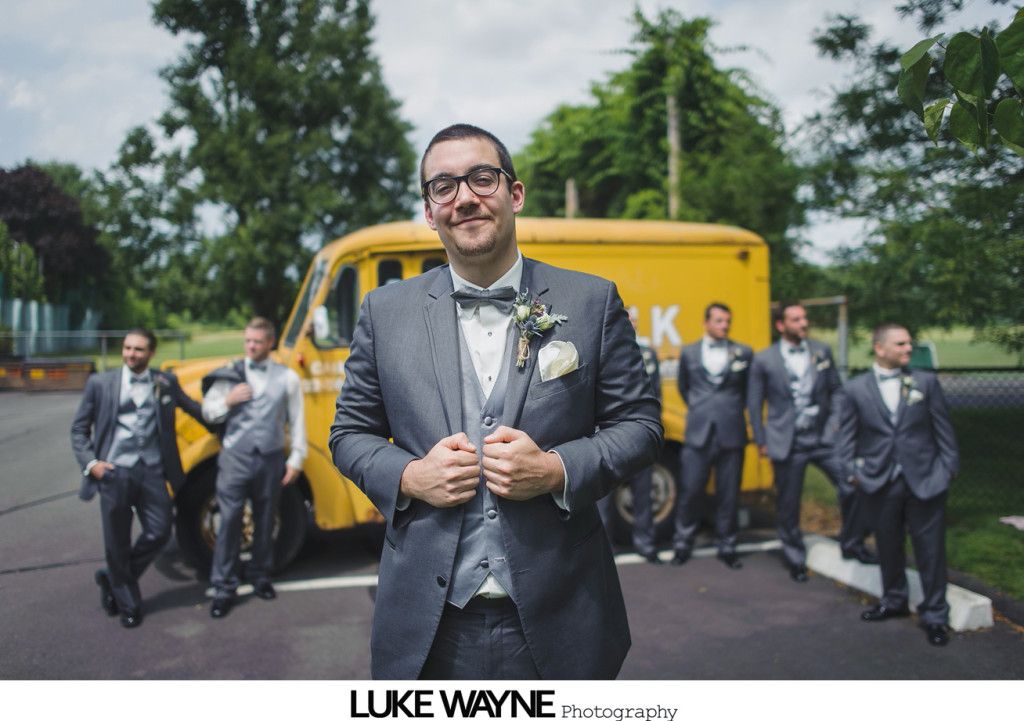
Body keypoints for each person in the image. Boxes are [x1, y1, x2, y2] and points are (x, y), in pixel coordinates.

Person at [328, 123, 662, 680]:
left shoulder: (591, 300)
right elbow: (347, 436)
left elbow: (642, 426)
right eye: (443, 186)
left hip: (562, 612)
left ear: (515, 193)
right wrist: (410, 477)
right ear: (430, 211)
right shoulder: (383, 313)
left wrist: (557, 469)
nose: (465, 197)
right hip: (430, 625)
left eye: (482, 178)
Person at [70, 328, 205, 628]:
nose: (131, 354)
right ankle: (128, 600)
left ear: (152, 353)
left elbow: (194, 409)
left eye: (139, 350)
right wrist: (91, 464)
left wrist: (226, 412)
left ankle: (113, 577)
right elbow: (79, 430)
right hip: (114, 471)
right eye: (128, 348)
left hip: (153, 470)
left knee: (159, 530)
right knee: (116, 540)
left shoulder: (164, 382)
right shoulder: (100, 384)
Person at [838, 323, 958, 646]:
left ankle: (935, 615)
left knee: (930, 550)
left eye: (909, 343)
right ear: (880, 348)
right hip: (878, 480)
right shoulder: (855, 389)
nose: (908, 349)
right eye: (901, 344)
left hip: (925, 479)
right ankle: (894, 601)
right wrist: (852, 473)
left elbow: (943, 429)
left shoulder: (925, 382)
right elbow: (845, 438)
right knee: (888, 545)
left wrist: (948, 469)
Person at [747, 301, 875, 582]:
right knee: (789, 504)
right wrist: (761, 439)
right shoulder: (764, 359)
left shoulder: (821, 351)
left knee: (852, 486)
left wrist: (834, 425)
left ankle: (852, 542)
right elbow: (755, 404)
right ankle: (794, 558)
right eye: (796, 319)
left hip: (823, 439)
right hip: (786, 441)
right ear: (781, 325)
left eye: (804, 318)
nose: (803, 323)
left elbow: (837, 391)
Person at [201, 317, 306, 619]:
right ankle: (223, 586)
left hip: (271, 458)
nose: (250, 346)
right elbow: (209, 410)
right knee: (230, 520)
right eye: (247, 340)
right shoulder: (230, 374)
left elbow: (297, 420)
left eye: (257, 342)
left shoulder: (287, 378)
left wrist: (296, 458)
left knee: (265, 519)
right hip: (235, 458)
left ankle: (260, 575)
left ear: (270, 343)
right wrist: (228, 401)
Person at [672, 302, 752, 569]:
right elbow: (685, 387)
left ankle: (727, 545)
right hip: (698, 432)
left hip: (732, 432)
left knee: (729, 494)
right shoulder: (690, 352)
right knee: (691, 490)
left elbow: (748, 392)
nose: (724, 326)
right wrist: (702, 409)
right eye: (719, 321)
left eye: (727, 321)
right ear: (706, 323)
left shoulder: (744, 352)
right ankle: (683, 544)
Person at [597, 307, 662, 563]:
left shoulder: (649, 354)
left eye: (633, 321)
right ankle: (605, 550)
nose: (630, 325)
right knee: (603, 497)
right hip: (606, 436)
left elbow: (656, 395)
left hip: (638, 437)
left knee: (643, 493)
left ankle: (646, 545)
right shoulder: (601, 352)